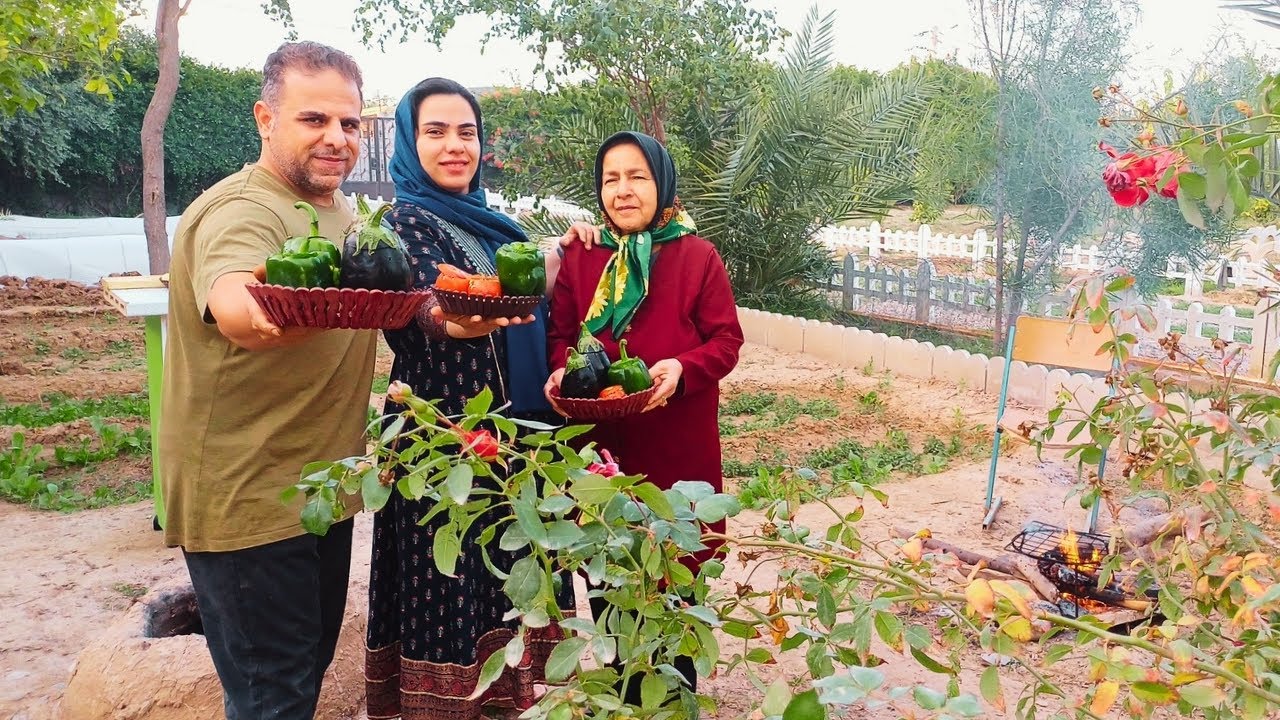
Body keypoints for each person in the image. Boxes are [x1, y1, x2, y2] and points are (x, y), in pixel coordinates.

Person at [158, 42, 375, 720]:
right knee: (271, 696)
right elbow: (238, 307)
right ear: (265, 118)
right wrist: (271, 310)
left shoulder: (342, 214)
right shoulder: (242, 209)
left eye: (349, 123)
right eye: (314, 119)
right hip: (247, 496)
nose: (336, 138)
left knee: (298, 678)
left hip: (319, 490)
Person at [365, 77, 593, 720]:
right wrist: (455, 321)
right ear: (409, 143)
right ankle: (444, 704)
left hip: (513, 433)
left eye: (466, 132)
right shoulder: (402, 224)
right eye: (435, 132)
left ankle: (505, 701)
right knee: (449, 577)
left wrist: (558, 255)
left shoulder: (494, 224)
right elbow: (425, 303)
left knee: (509, 572)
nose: (454, 146)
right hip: (443, 436)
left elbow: (520, 293)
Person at [542, 130, 744, 700]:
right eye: (611, 179)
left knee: (674, 587)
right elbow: (561, 336)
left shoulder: (697, 256)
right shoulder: (582, 256)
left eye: (637, 177)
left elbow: (726, 340)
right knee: (609, 579)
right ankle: (621, 703)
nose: (623, 190)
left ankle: (672, 703)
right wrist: (560, 373)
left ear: (663, 184)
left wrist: (682, 367)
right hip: (600, 449)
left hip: (675, 446)